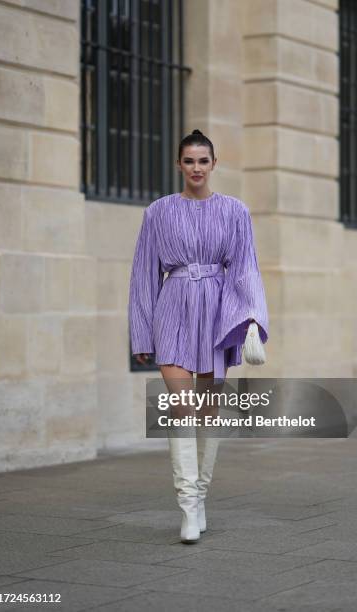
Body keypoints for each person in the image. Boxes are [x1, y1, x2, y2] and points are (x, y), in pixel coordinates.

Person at [128, 129, 269, 543]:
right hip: (171, 307)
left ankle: (201, 497)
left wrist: (251, 320)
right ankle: (187, 508)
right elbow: (142, 276)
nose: (195, 168)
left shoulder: (235, 211)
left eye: (202, 161)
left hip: (216, 314)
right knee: (181, 410)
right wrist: (141, 335)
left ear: (213, 164)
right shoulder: (157, 212)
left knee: (207, 414)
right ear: (178, 165)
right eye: (188, 161)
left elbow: (245, 269)